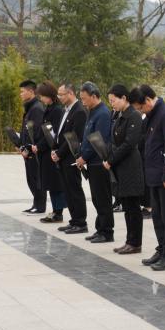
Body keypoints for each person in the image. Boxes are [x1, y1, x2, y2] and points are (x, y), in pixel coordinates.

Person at [129, 85, 165, 271]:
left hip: (164, 176)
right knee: (158, 217)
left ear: (148, 100)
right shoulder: (152, 115)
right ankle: (162, 249)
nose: (140, 111)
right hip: (153, 174)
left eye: (140, 107)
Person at [104, 85, 145, 255]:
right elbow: (113, 141)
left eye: (114, 100)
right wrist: (107, 155)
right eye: (110, 101)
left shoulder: (133, 116)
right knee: (127, 206)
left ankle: (135, 243)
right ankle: (129, 240)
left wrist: (111, 160)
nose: (112, 104)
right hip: (121, 166)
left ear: (124, 98)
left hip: (130, 166)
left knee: (133, 207)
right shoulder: (118, 115)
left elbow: (129, 143)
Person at [75, 82, 114, 243]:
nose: (82, 101)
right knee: (97, 199)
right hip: (91, 162)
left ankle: (107, 232)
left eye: (84, 98)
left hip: (99, 162)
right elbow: (87, 137)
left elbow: (99, 140)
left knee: (103, 199)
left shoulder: (103, 113)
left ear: (94, 96)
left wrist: (85, 157)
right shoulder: (92, 111)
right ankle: (100, 229)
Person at [51, 84, 88, 234]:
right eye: (58, 95)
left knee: (74, 189)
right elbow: (60, 133)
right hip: (61, 157)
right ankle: (74, 220)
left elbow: (74, 137)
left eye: (61, 94)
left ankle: (81, 222)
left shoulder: (79, 111)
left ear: (71, 93)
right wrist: (54, 149)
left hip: (71, 157)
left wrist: (59, 153)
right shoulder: (65, 110)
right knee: (67, 190)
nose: (59, 97)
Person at [33, 81, 67, 223]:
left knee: (55, 184)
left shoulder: (57, 110)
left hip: (51, 151)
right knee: (51, 184)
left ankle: (58, 212)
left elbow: (53, 133)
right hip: (45, 152)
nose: (41, 99)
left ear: (49, 95)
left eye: (42, 96)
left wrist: (40, 146)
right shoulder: (49, 108)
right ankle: (55, 210)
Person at [18, 79, 46, 215]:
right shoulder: (30, 107)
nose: (21, 94)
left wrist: (28, 149)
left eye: (22, 91)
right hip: (27, 151)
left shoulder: (36, 108)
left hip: (34, 151)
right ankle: (36, 203)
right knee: (31, 179)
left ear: (31, 91)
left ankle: (40, 206)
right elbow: (26, 130)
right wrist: (21, 145)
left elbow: (36, 132)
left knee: (36, 178)